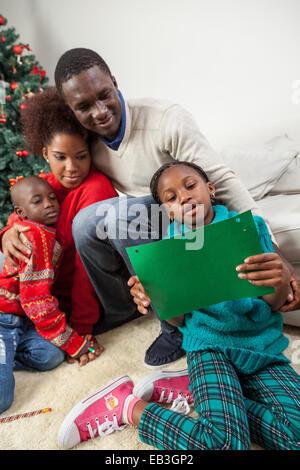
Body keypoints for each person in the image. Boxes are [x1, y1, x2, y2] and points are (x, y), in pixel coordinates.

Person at [52, 47, 298, 368]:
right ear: (71, 110)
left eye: (105, 95)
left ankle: (173, 326)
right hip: (164, 217)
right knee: (88, 222)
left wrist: (271, 250)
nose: (99, 112)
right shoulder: (89, 144)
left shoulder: (165, 119)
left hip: (200, 217)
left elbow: (221, 180)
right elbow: (56, 181)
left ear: (114, 82)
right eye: (83, 106)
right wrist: (13, 225)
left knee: (120, 216)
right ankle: (124, 310)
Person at [57, 161, 300, 451]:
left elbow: (274, 305)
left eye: (190, 186)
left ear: (210, 190)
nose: (183, 197)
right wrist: (158, 299)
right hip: (209, 348)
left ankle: (198, 390)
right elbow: (176, 320)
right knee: (225, 444)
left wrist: (283, 280)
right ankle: (127, 406)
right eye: (171, 198)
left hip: (261, 347)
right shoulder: (166, 252)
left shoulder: (250, 228)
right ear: (167, 211)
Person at [0, 87, 125, 366]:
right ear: (45, 154)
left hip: (88, 296)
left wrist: (80, 332)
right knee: (8, 261)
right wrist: (8, 231)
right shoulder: (47, 184)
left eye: (81, 156)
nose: (71, 168)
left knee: (50, 354)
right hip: (43, 294)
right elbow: (22, 212)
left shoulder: (95, 190)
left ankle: (20, 336)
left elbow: (86, 270)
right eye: (60, 157)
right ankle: (12, 334)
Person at [0, 176, 96, 414]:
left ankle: (7, 355)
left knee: (50, 356)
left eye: (52, 198)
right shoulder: (35, 237)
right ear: (22, 212)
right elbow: (37, 304)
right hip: (4, 318)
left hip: (23, 321)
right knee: (2, 398)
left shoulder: (43, 230)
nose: (49, 204)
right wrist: (76, 344)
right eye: (38, 201)